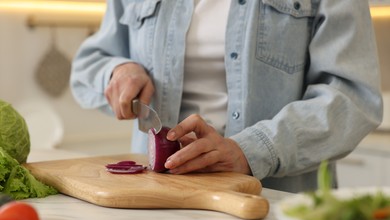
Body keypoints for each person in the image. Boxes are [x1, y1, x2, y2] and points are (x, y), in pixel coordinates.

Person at [70, 0, 383, 193]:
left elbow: (353, 97)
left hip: (272, 207)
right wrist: (118, 71)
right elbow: (89, 64)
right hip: (156, 203)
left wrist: (250, 151)